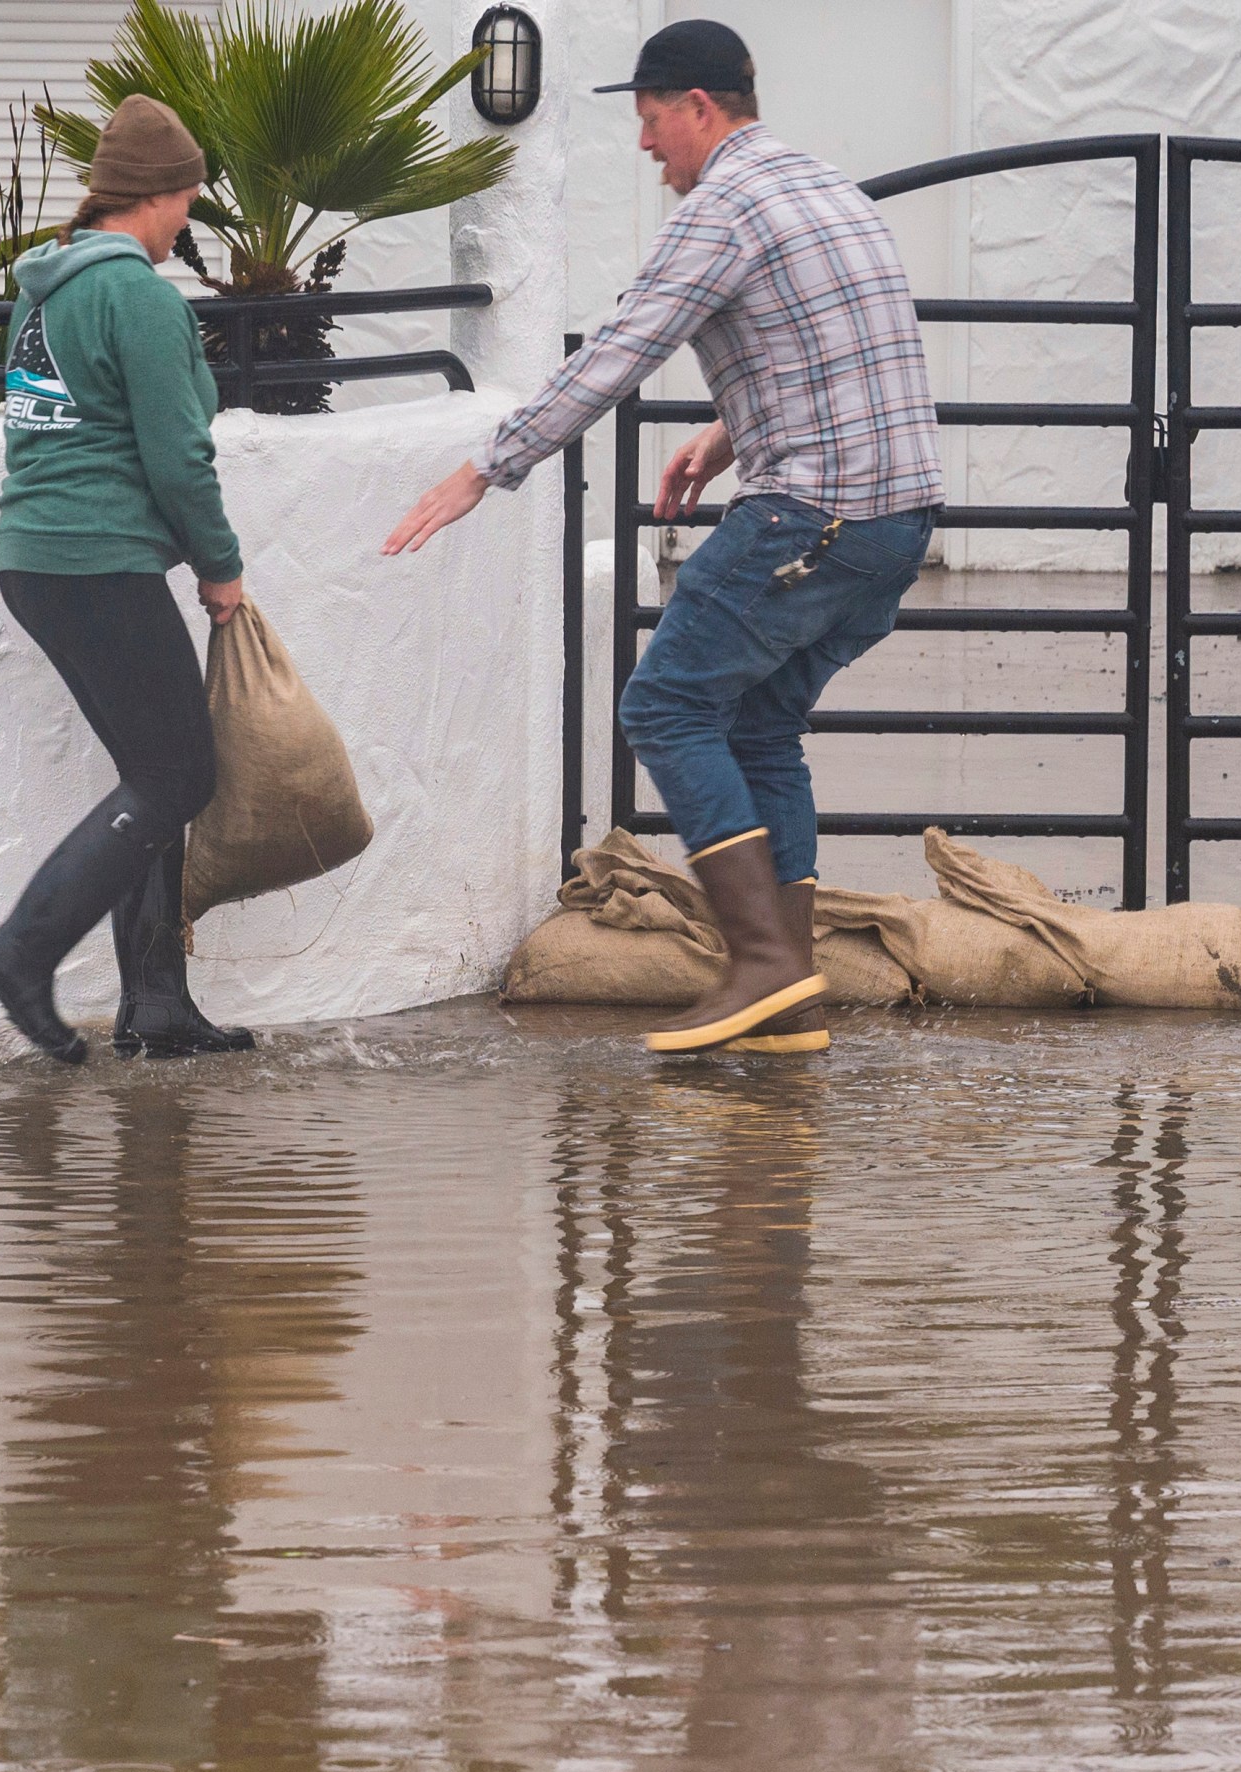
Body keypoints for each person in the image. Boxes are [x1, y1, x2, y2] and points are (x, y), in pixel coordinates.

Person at [384, 18, 944, 1058]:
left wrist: (484, 468)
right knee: (759, 728)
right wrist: (729, 436)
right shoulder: (823, 186)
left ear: (697, 109)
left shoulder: (724, 205)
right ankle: (790, 993)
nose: (646, 149)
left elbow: (619, 353)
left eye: (649, 123)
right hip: (895, 521)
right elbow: (847, 346)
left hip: (813, 515)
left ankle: (764, 962)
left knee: (666, 703)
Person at [0, 94, 255, 1066]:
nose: (189, 221)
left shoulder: (46, 292)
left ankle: (158, 1003)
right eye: (186, 202)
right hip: (97, 561)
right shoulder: (135, 294)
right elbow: (178, 455)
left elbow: (40, 427)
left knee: (152, 776)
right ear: (153, 196)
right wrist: (220, 568)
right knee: (179, 774)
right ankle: (21, 950)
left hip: (41, 558)